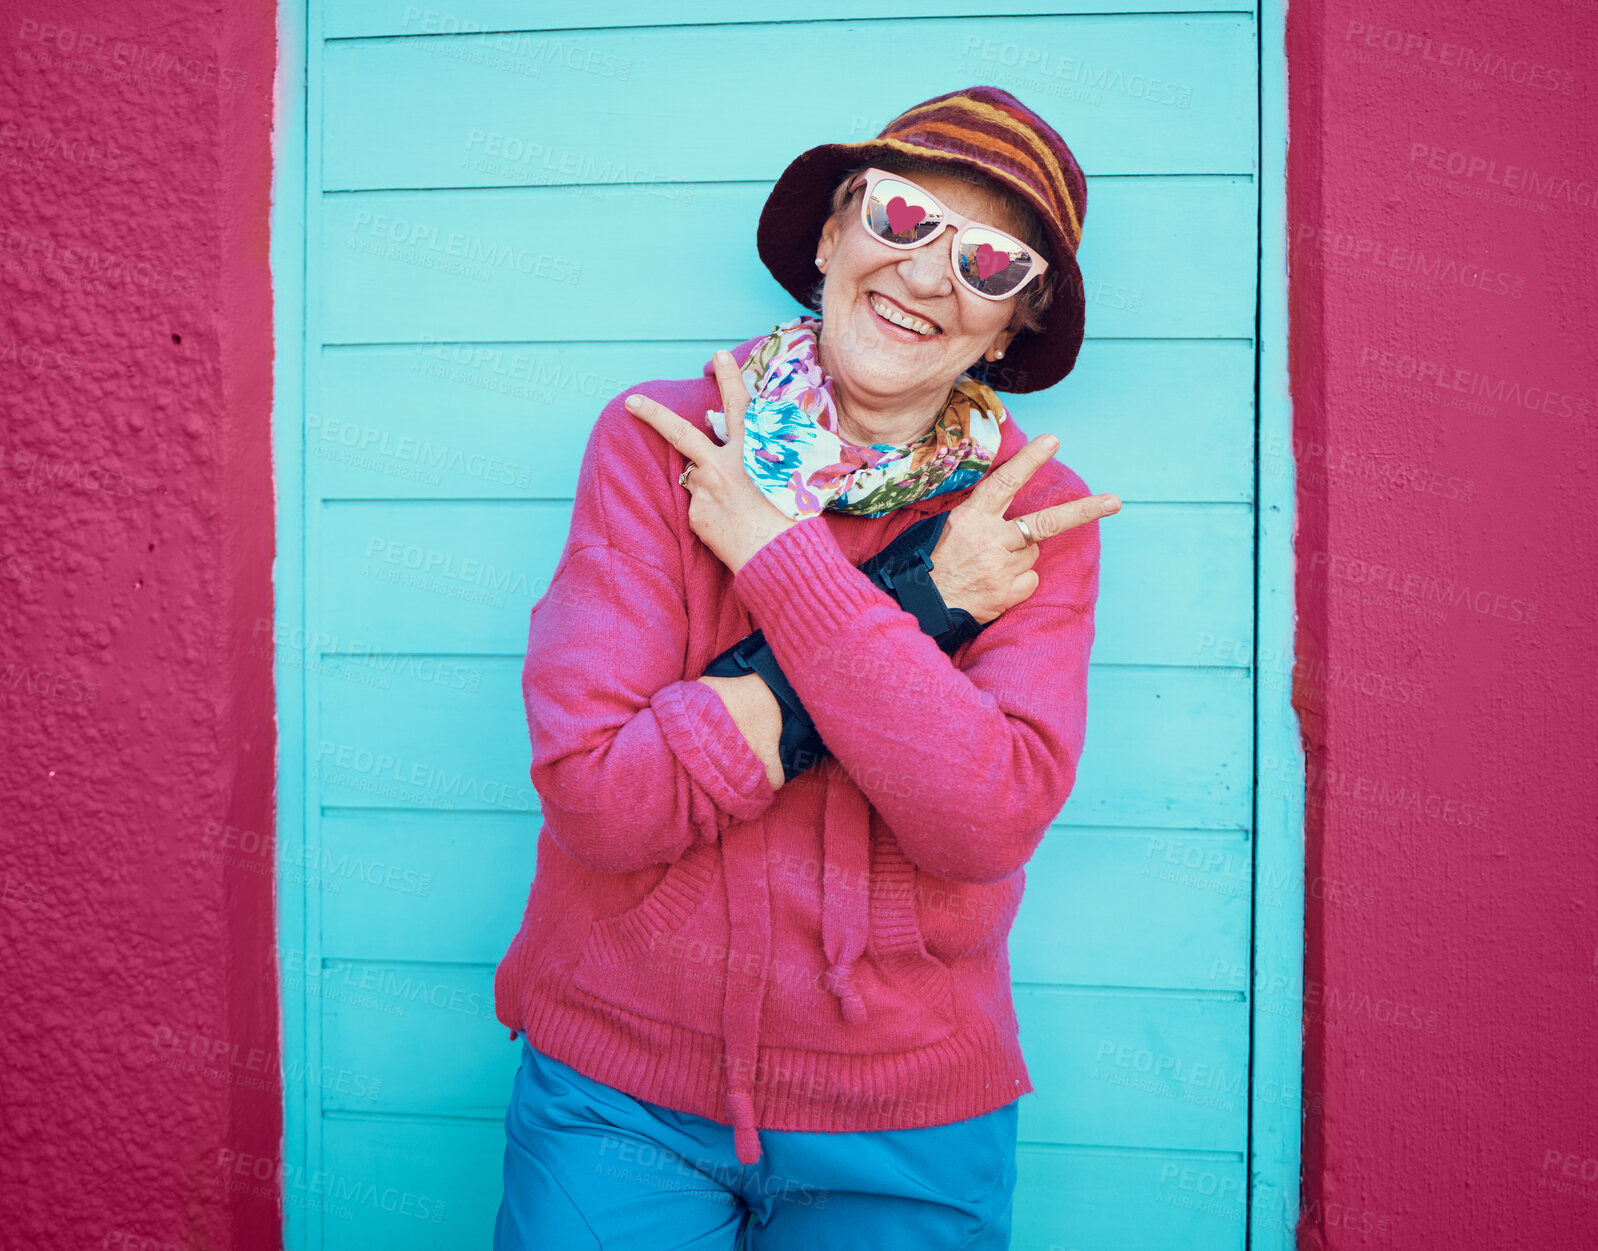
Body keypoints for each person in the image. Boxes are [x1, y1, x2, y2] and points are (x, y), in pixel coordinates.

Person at [492, 84, 1120, 1251]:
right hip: (615, 1084)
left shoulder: (1034, 522)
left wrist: (776, 560)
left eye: (988, 264)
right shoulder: (661, 442)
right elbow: (601, 799)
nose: (929, 276)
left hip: (907, 1117)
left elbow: (979, 819)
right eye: (898, 219)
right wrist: (927, 606)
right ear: (833, 233)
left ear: (1010, 327)